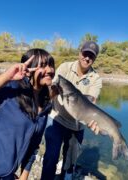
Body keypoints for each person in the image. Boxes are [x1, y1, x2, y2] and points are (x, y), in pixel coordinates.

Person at [0, 48, 55, 180]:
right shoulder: (10, 88)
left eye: (51, 65)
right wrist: (6, 76)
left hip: (5, 174)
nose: (50, 70)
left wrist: (24, 177)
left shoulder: (45, 105)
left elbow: (33, 145)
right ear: (29, 69)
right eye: (42, 66)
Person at [41, 41, 102, 180]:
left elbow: (91, 101)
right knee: (51, 156)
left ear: (95, 59)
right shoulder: (65, 67)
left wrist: (92, 119)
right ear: (80, 52)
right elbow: (51, 89)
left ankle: (66, 176)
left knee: (70, 161)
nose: (87, 58)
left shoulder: (96, 78)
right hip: (56, 119)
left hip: (77, 125)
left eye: (91, 56)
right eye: (85, 54)